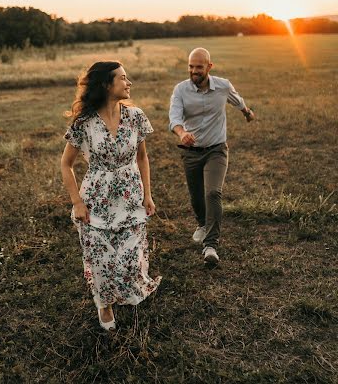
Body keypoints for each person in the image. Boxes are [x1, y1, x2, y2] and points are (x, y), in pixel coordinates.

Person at [61, 61, 161, 331]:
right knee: (99, 258)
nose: (129, 83)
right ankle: (103, 305)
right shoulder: (84, 123)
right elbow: (66, 164)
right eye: (123, 78)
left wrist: (148, 196)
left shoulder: (136, 116)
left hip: (130, 197)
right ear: (106, 84)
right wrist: (77, 202)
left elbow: (142, 157)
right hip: (96, 199)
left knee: (129, 258)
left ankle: (126, 287)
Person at [169, 48, 254, 265]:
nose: (194, 71)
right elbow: (174, 118)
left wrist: (247, 112)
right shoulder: (180, 90)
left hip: (216, 149)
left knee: (213, 193)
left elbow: (238, 100)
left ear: (209, 66)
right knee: (197, 198)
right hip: (191, 153)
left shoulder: (223, 86)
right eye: (191, 66)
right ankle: (202, 223)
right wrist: (182, 133)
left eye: (199, 67)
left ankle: (211, 246)